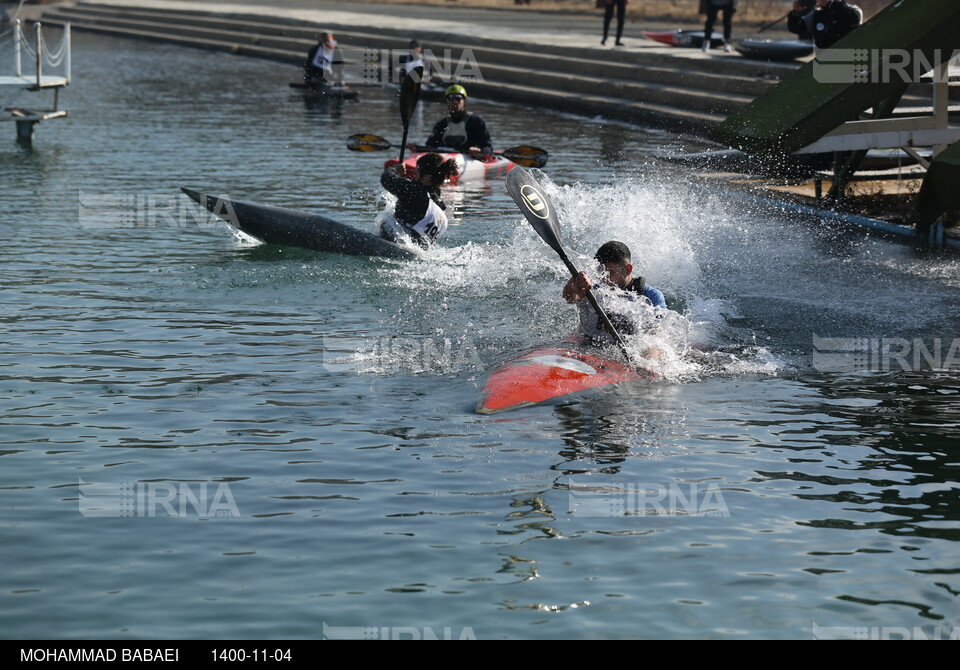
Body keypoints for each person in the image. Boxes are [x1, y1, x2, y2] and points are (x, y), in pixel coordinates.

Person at [562, 241, 667, 343]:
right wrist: (575, 282)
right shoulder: (594, 290)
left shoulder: (651, 296)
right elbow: (570, 297)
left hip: (623, 352)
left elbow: (657, 335)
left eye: (610, 272)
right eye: (601, 271)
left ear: (627, 270)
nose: (604, 278)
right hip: (587, 343)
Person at [379, 153, 459, 249]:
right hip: (415, 251)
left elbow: (386, 179)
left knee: (386, 223)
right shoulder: (439, 204)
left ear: (427, 177)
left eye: (417, 172)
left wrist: (394, 170)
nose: (414, 175)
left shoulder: (416, 192)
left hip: (394, 245)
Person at [408, 84, 493, 160]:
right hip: (445, 159)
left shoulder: (476, 121)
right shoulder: (441, 124)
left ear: (465, 100)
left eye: (458, 98)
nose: (454, 102)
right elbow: (430, 147)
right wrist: (417, 149)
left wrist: (479, 151)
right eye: (450, 99)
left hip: (469, 158)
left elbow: (488, 148)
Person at [788, 0, 862, 50]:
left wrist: (830, 4)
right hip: (824, 61)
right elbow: (796, 28)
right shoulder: (817, 14)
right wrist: (796, 13)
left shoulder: (853, 9)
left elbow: (854, 18)